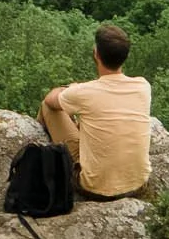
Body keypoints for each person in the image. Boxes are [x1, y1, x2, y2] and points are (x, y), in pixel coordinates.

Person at [39, 23, 151, 200]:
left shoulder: (85, 92)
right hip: (138, 184)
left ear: (96, 54)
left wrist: (70, 88)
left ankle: (44, 155)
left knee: (48, 108)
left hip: (95, 188)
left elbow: (50, 100)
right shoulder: (143, 86)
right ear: (125, 56)